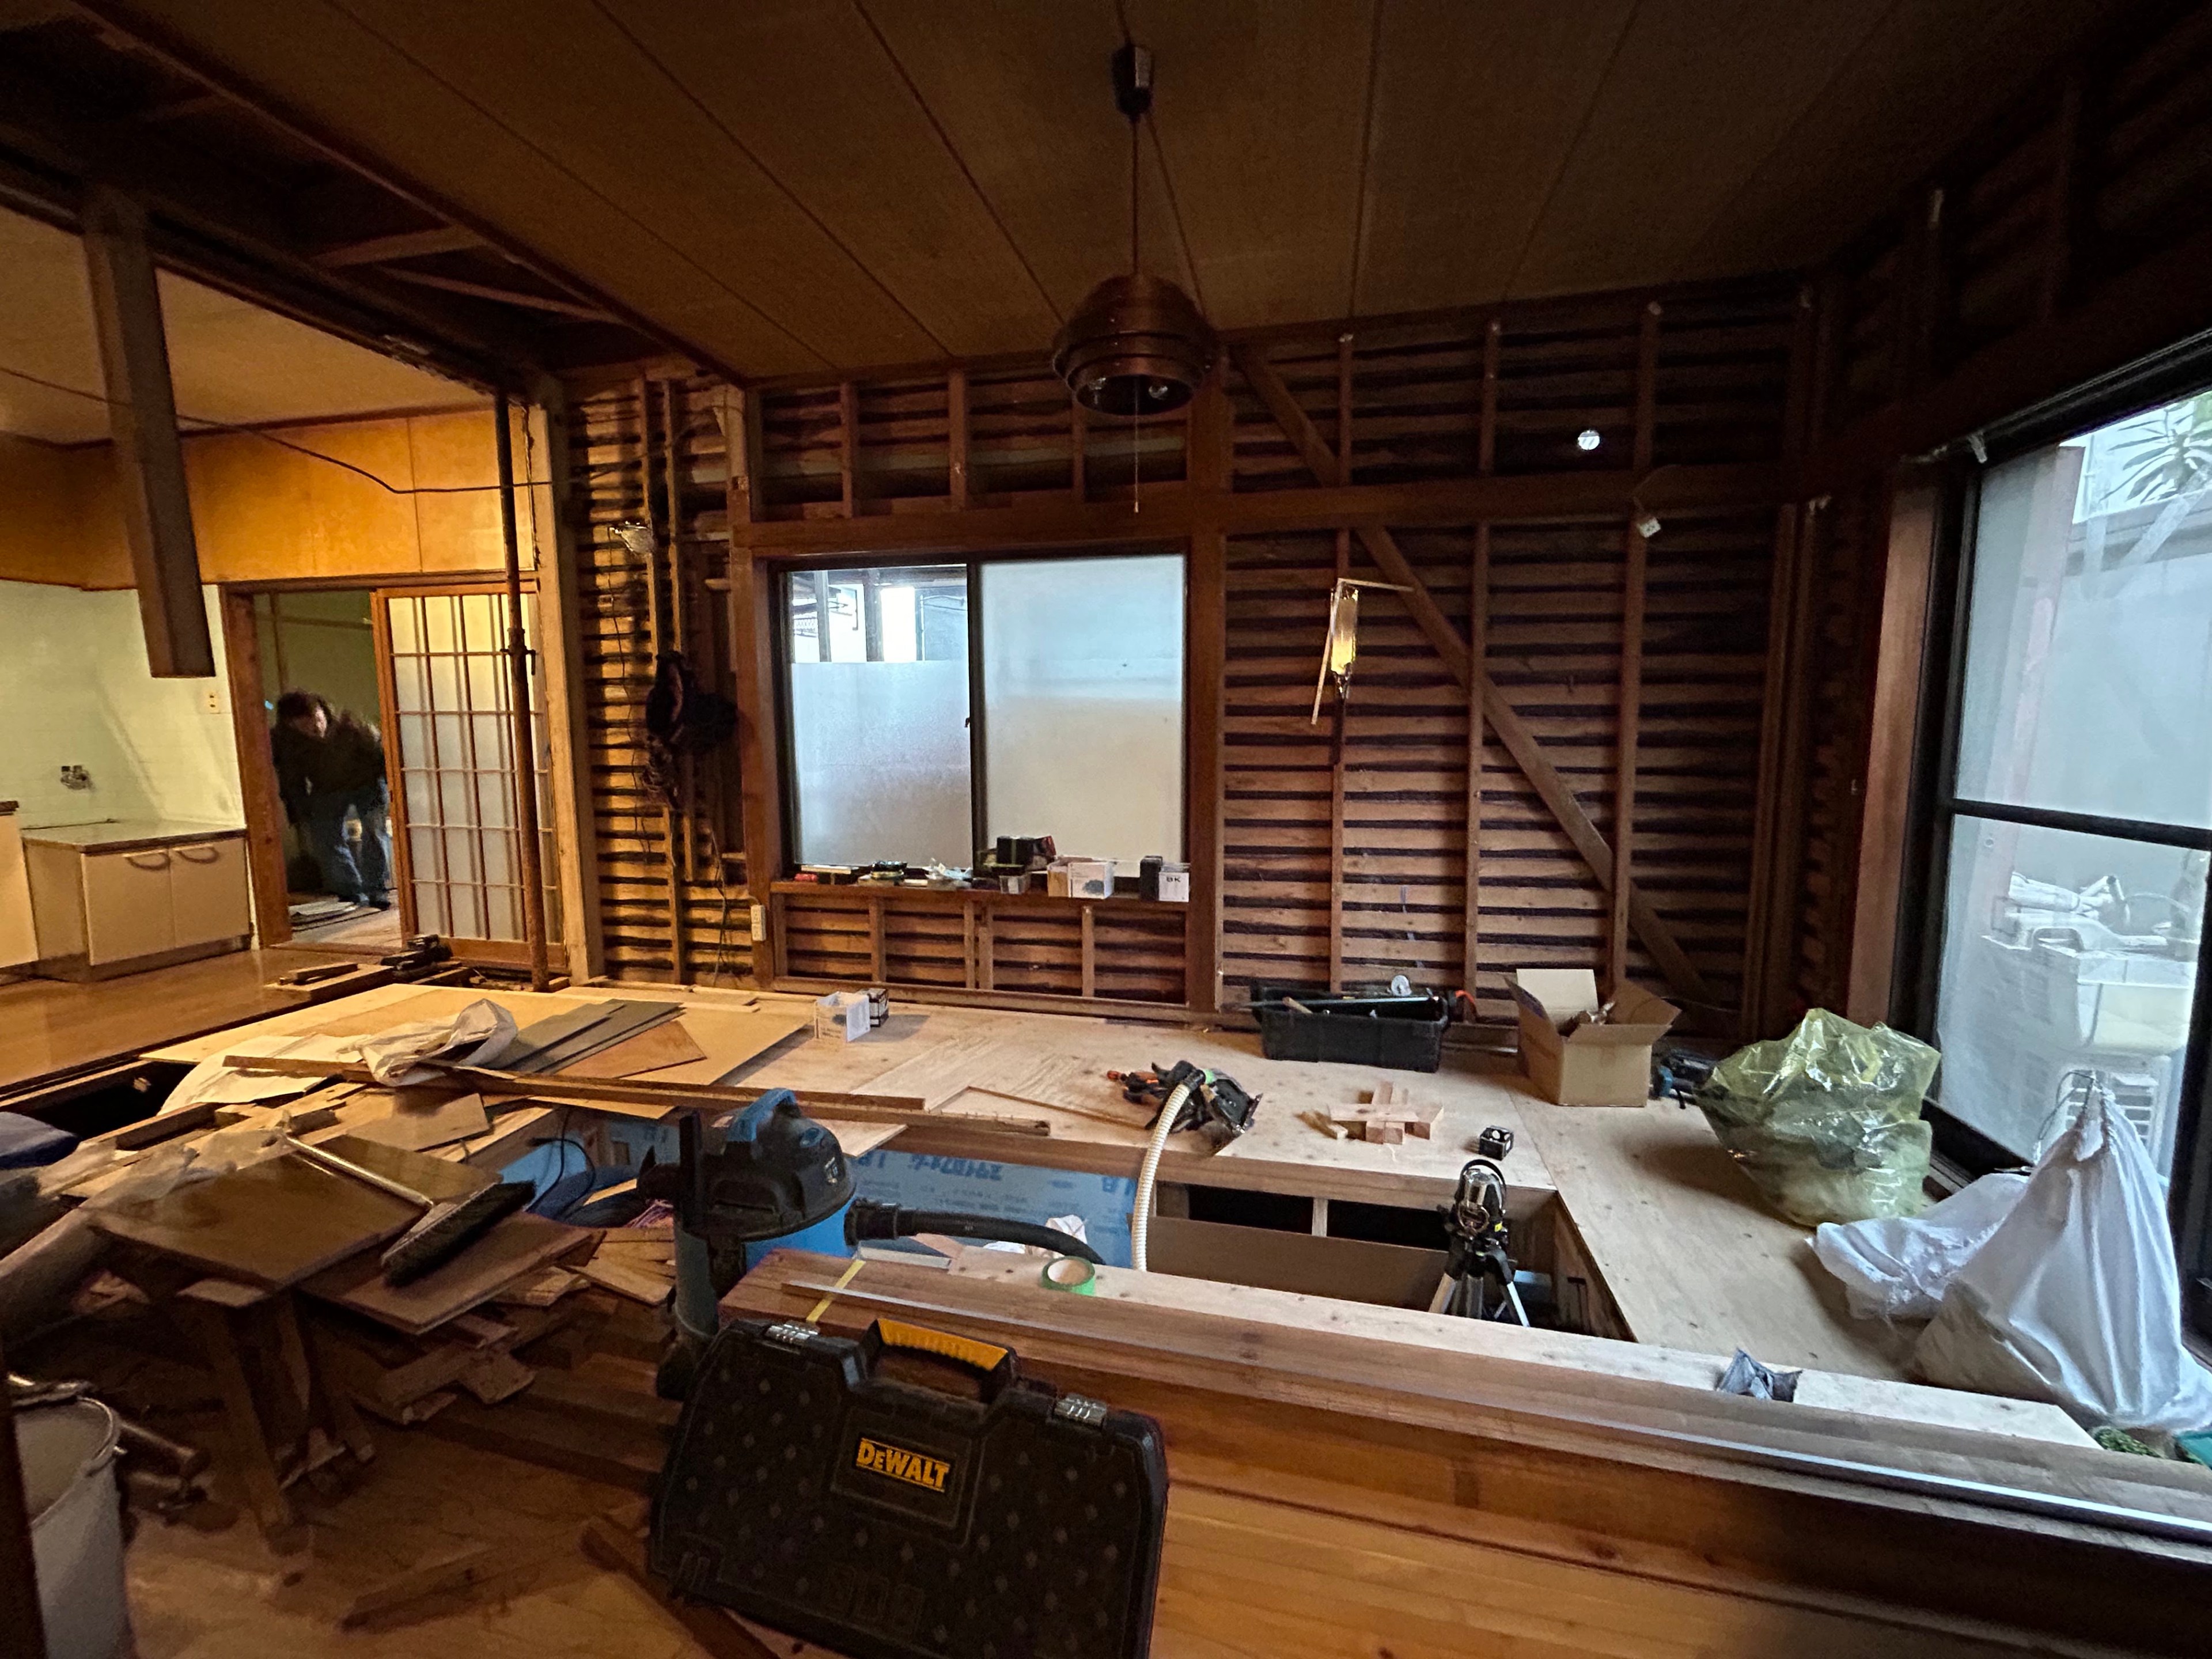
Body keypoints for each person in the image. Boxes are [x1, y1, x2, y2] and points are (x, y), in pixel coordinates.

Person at [271, 690, 392, 910]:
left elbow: (383, 758)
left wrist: (396, 790)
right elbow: (291, 781)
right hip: (327, 788)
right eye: (305, 725)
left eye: (318, 720)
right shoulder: (286, 742)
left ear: (324, 713)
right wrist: (298, 811)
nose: (316, 728)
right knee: (324, 837)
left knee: (374, 833)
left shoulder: (352, 727)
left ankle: (376, 890)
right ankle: (350, 890)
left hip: (368, 783)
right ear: (292, 726)